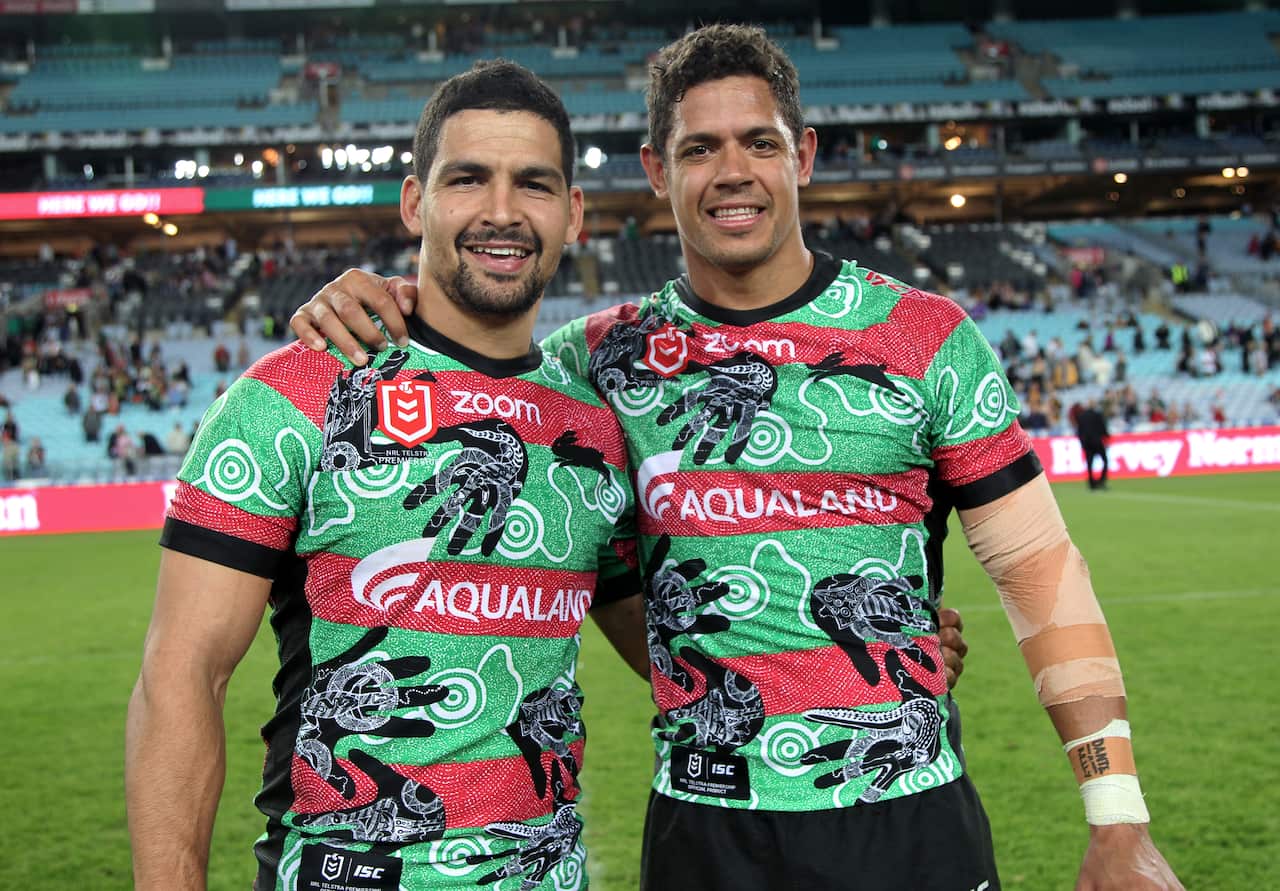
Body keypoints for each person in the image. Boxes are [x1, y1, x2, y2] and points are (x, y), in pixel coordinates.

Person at [290, 25, 1166, 891]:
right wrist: (384, 299)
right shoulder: (595, 363)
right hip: (706, 830)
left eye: (760, 142)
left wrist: (1117, 812)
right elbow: (481, 364)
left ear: (804, 155)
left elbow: (1038, 568)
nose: (733, 171)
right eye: (699, 148)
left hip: (909, 819)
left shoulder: (923, 337)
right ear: (658, 172)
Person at [127, 61, 657, 891]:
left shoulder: (593, 427)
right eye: (468, 178)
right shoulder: (298, 393)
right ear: (416, 201)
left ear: (575, 213)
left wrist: (898, 646)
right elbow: (182, 672)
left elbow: (675, 646)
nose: (502, 211)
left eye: (535, 184)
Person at [1075, 400, 1110, 490]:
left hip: (1087, 444)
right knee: (1105, 461)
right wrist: (1106, 436)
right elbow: (1102, 428)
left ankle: (1091, 483)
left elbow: (1079, 432)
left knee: (1090, 464)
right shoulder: (1097, 415)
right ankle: (1102, 481)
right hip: (1097, 442)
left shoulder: (1081, 416)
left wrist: (1082, 443)